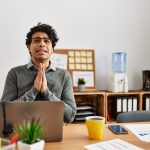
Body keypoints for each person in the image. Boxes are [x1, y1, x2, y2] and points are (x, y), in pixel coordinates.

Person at [1, 23, 77, 123]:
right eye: (37, 40)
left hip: (55, 135)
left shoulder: (64, 75)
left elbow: (70, 116)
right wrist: (34, 90)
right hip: (22, 134)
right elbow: (4, 113)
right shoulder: (15, 73)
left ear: (52, 49)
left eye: (46, 41)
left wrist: (46, 92)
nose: (42, 44)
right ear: (28, 47)